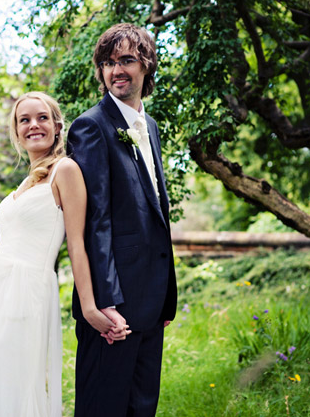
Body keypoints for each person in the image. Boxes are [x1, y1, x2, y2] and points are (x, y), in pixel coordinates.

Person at [0, 91, 120, 417]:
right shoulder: (27, 181)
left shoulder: (66, 171)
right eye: (24, 120)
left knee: (15, 380)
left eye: (42, 117)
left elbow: (77, 244)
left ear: (57, 125)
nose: (34, 125)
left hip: (27, 290)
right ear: (16, 131)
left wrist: (90, 307)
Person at [66, 23, 178, 417]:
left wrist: (166, 299)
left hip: (151, 301)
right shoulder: (90, 127)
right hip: (112, 308)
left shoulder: (151, 128)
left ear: (146, 66)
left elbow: (154, 216)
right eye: (109, 63)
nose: (116, 70)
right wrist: (105, 303)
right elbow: (95, 223)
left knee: (142, 408)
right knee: (104, 408)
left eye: (127, 60)